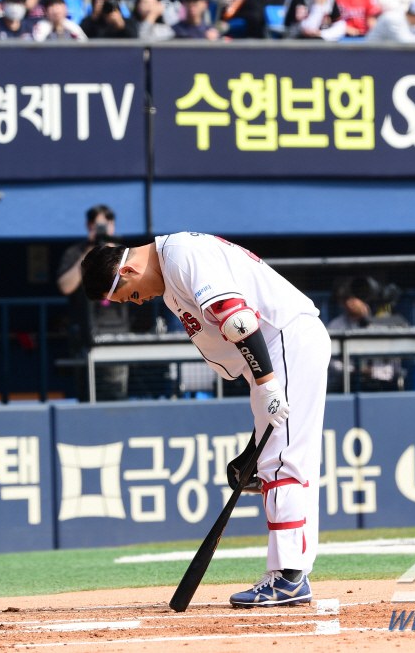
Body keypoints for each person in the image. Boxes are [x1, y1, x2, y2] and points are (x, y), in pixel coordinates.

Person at [79, 233, 330, 607]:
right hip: (274, 351)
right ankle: (290, 573)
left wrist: (268, 384)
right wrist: (254, 446)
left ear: (128, 270)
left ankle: (289, 577)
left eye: (129, 295)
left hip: (283, 342)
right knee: (275, 461)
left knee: (282, 463)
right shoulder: (171, 272)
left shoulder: (181, 255)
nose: (138, 301)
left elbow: (238, 320)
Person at [57, 205, 131, 399]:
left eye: (107, 225)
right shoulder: (76, 252)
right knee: (87, 394)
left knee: (116, 394)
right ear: (89, 226)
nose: (103, 230)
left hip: (116, 333)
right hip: (84, 334)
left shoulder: (122, 253)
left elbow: (132, 287)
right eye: (98, 226)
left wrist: (111, 256)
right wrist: (88, 255)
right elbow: (65, 287)